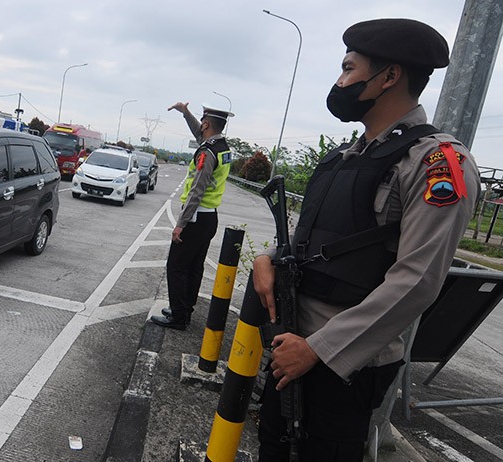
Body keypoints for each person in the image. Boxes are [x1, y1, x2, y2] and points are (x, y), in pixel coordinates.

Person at [254, 18, 481, 461]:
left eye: (348, 68)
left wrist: (318, 349)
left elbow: (418, 279)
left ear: (389, 76)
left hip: (343, 365)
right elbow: (312, 234)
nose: (339, 82)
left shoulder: (437, 162)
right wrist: (267, 257)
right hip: (292, 345)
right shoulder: (347, 155)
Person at [151, 103, 234, 330]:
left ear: (206, 123)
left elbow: (197, 190)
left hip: (196, 218)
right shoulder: (222, 148)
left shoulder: (207, 153)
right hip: (210, 218)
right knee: (194, 267)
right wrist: (186, 113)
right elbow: (201, 134)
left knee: (176, 266)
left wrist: (180, 224)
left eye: (202, 122)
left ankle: (178, 317)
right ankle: (185, 309)